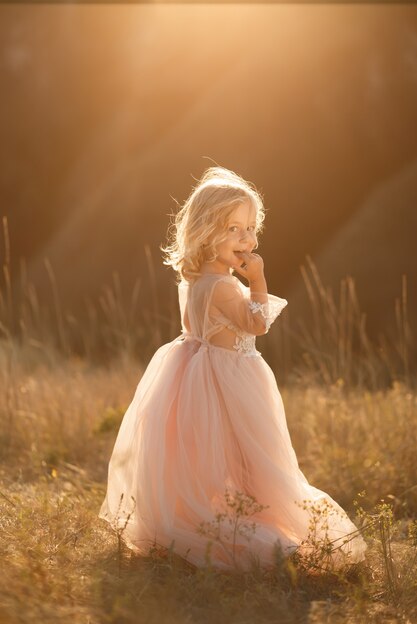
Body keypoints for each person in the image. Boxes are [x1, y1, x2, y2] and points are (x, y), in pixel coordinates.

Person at [99, 166, 367, 572]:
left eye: (250, 228)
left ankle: (216, 518)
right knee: (253, 457)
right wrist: (257, 279)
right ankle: (257, 526)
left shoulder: (194, 279)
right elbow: (257, 323)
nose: (248, 239)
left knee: (209, 459)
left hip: (195, 375)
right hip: (232, 378)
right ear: (208, 232)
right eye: (235, 229)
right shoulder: (224, 285)